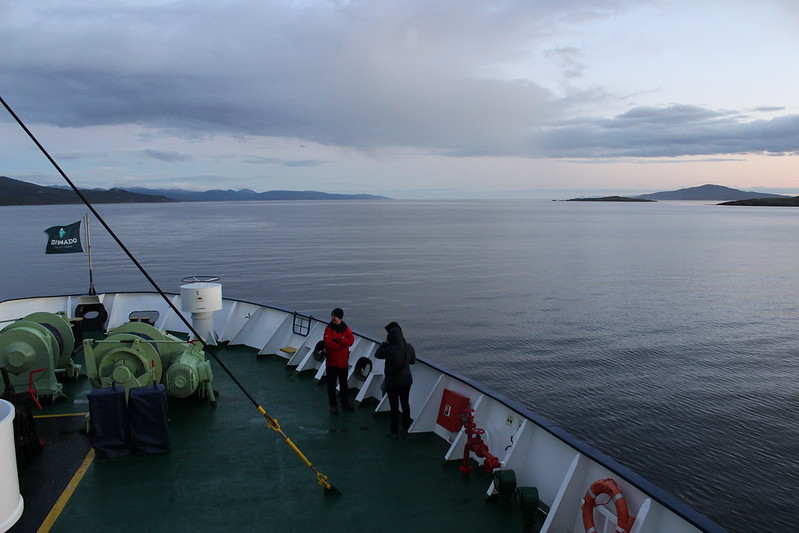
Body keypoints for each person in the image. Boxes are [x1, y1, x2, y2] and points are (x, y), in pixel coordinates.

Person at [374, 322, 416, 437]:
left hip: (393, 383)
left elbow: (377, 354)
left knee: (394, 407)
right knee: (405, 404)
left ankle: (394, 431)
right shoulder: (409, 347)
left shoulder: (389, 349)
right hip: (406, 381)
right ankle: (406, 427)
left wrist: (384, 343)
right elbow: (412, 361)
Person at [324, 307, 355, 414]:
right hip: (332, 362)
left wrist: (339, 340)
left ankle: (344, 402)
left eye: (335, 316)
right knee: (331, 384)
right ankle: (333, 405)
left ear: (340, 317)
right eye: (332, 316)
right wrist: (341, 346)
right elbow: (328, 343)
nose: (333, 318)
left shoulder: (346, 328)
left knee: (343, 384)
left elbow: (351, 341)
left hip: (343, 362)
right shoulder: (328, 328)